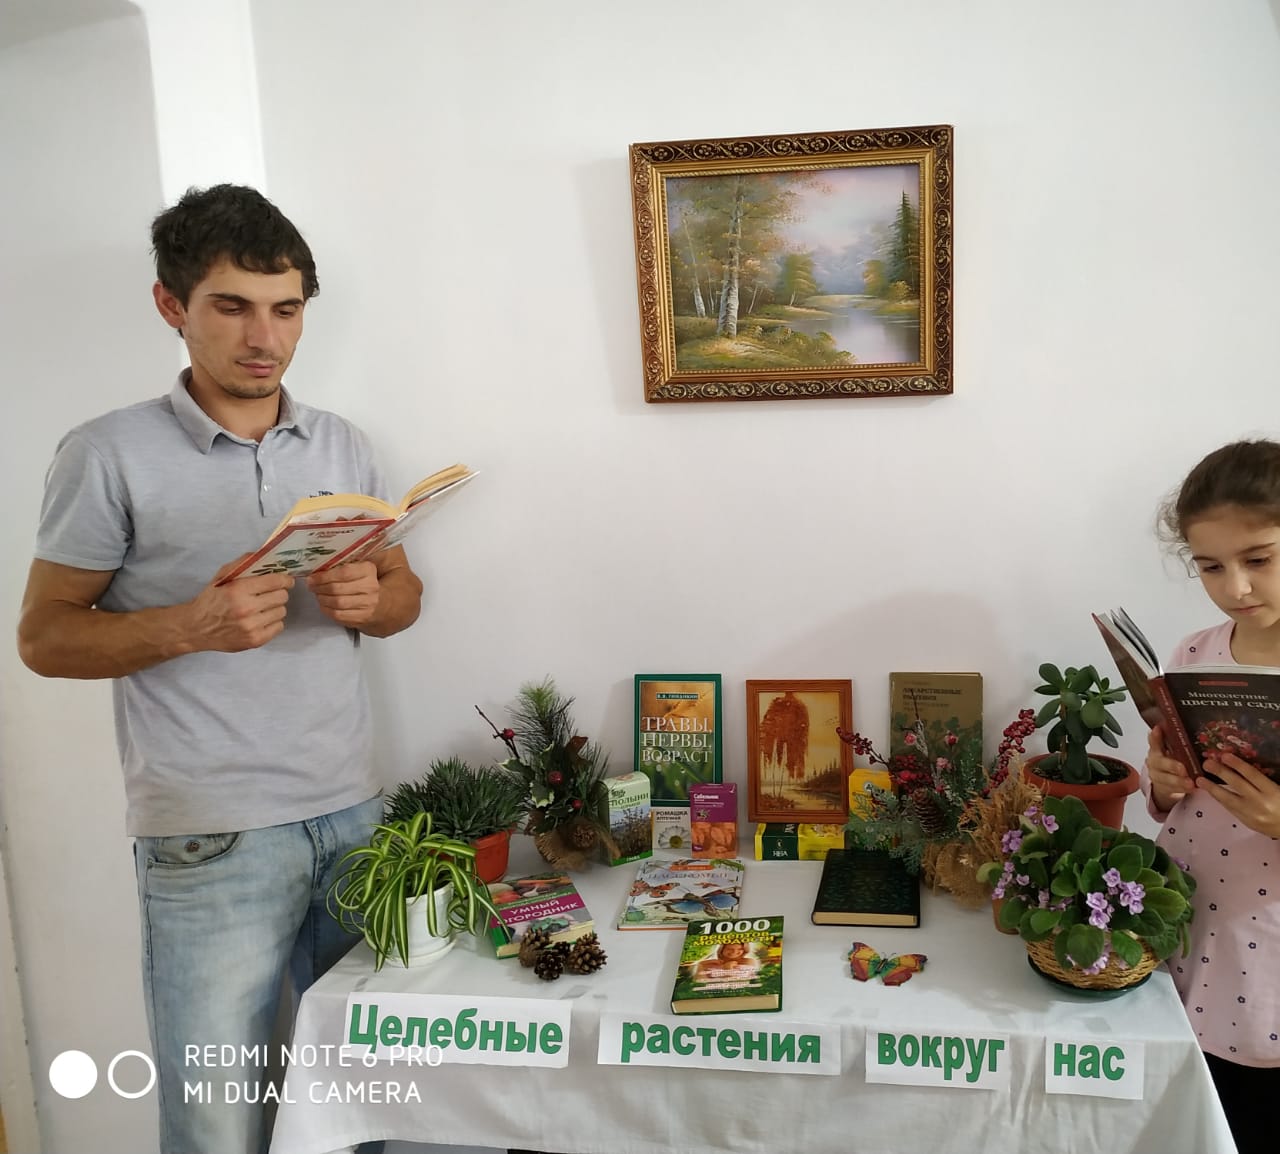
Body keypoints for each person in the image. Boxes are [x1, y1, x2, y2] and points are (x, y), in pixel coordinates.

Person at [17, 184, 424, 1154]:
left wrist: (376, 601)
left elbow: (402, 592)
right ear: (173, 305)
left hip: (354, 816)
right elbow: (43, 637)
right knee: (216, 1120)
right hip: (208, 838)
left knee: (377, 1102)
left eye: (285, 309)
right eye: (232, 306)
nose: (264, 337)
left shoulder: (341, 442)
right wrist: (189, 625)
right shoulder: (106, 452)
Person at [1144, 439, 1280, 1154]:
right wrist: (1162, 783)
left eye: (1260, 559)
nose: (1238, 588)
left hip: (1269, 962)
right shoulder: (1195, 655)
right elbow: (1174, 790)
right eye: (1211, 567)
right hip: (1189, 928)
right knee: (1190, 1120)